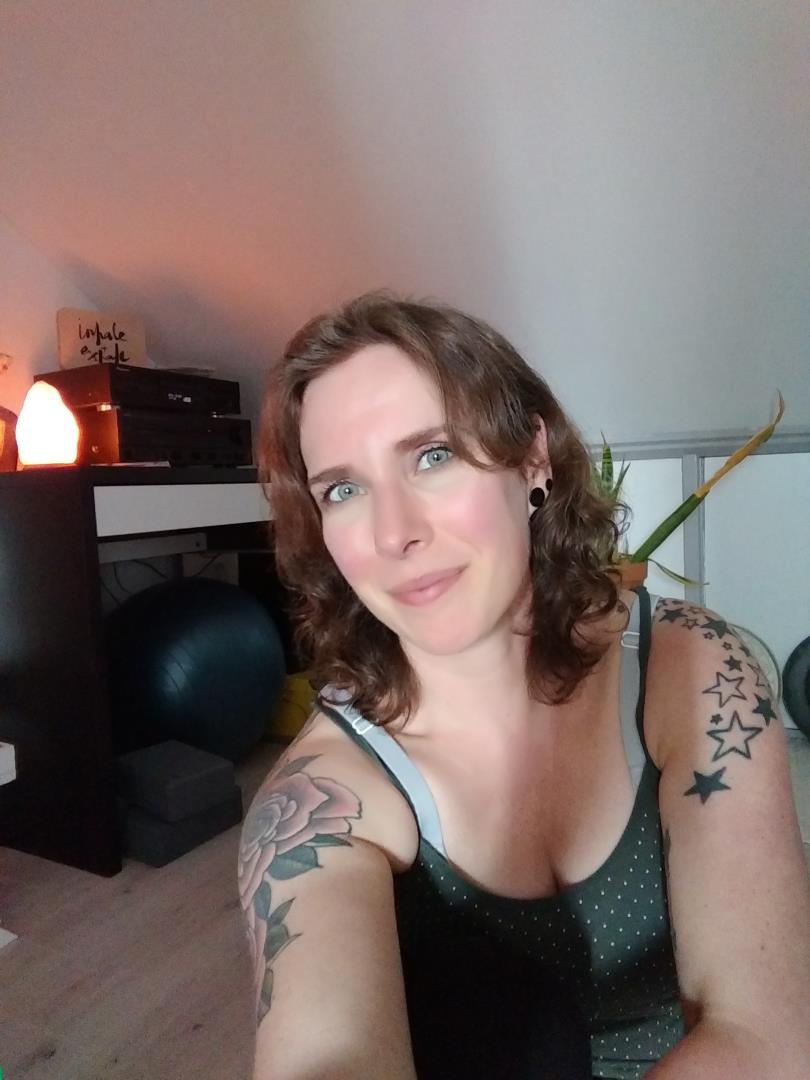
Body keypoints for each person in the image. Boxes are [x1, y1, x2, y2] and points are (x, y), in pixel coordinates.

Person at [237, 292, 810, 1079]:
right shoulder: (320, 802)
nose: (394, 532)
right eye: (343, 489)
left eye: (432, 455)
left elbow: (767, 1035)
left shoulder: (692, 668)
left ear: (532, 459)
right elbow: (326, 1055)